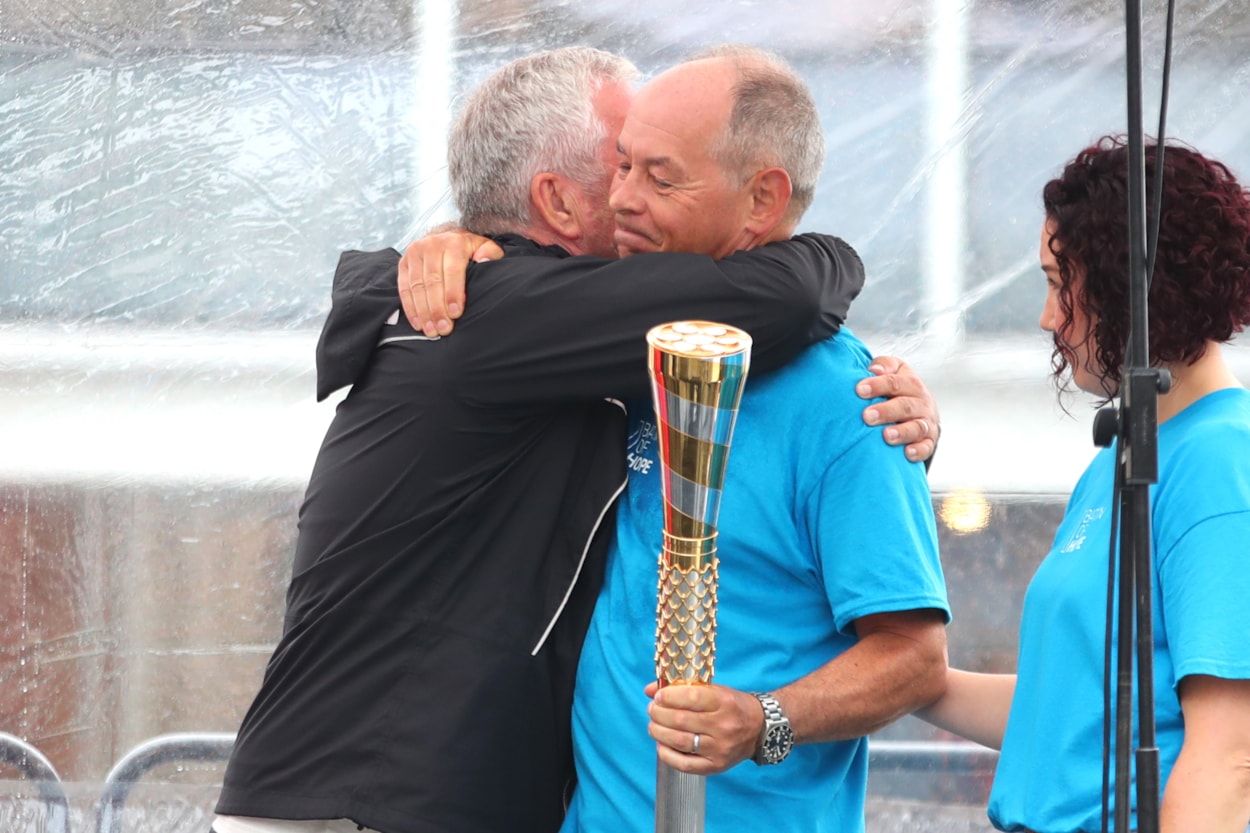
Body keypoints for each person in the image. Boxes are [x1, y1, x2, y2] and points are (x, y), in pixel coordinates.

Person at [211, 47, 937, 833]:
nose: (628, 196)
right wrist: (836, 259)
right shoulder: (498, 316)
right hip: (364, 805)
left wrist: (766, 717)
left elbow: (909, 642)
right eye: (619, 166)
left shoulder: (670, 369)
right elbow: (789, 294)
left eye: (657, 175)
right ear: (554, 201)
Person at [918, 136, 1250, 833]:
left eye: (1055, 281)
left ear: (1131, 286)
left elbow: (1230, 757)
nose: (1047, 318)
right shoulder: (1123, 459)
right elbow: (1064, 712)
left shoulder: (1219, 463)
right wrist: (906, 678)